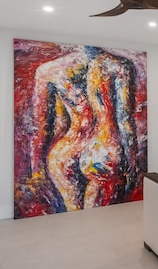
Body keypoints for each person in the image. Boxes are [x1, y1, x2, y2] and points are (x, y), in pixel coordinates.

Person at [30, 46, 138, 211]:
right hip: (103, 149)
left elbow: (50, 126)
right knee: (97, 218)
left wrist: (36, 168)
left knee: (73, 213)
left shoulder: (49, 70)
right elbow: (124, 121)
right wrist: (132, 163)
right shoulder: (119, 66)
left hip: (65, 151)